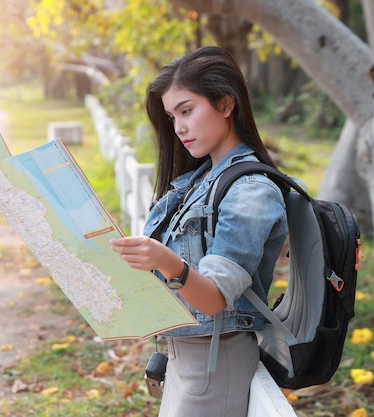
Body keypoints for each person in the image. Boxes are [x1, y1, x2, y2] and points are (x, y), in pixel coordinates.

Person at [109, 46, 288, 417]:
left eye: (187, 110)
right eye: (173, 116)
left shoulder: (251, 190)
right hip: (184, 360)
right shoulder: (199, 179)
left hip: (215, 363)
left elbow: (214, 299)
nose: (179, 127)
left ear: (226, 104)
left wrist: (166, 261)